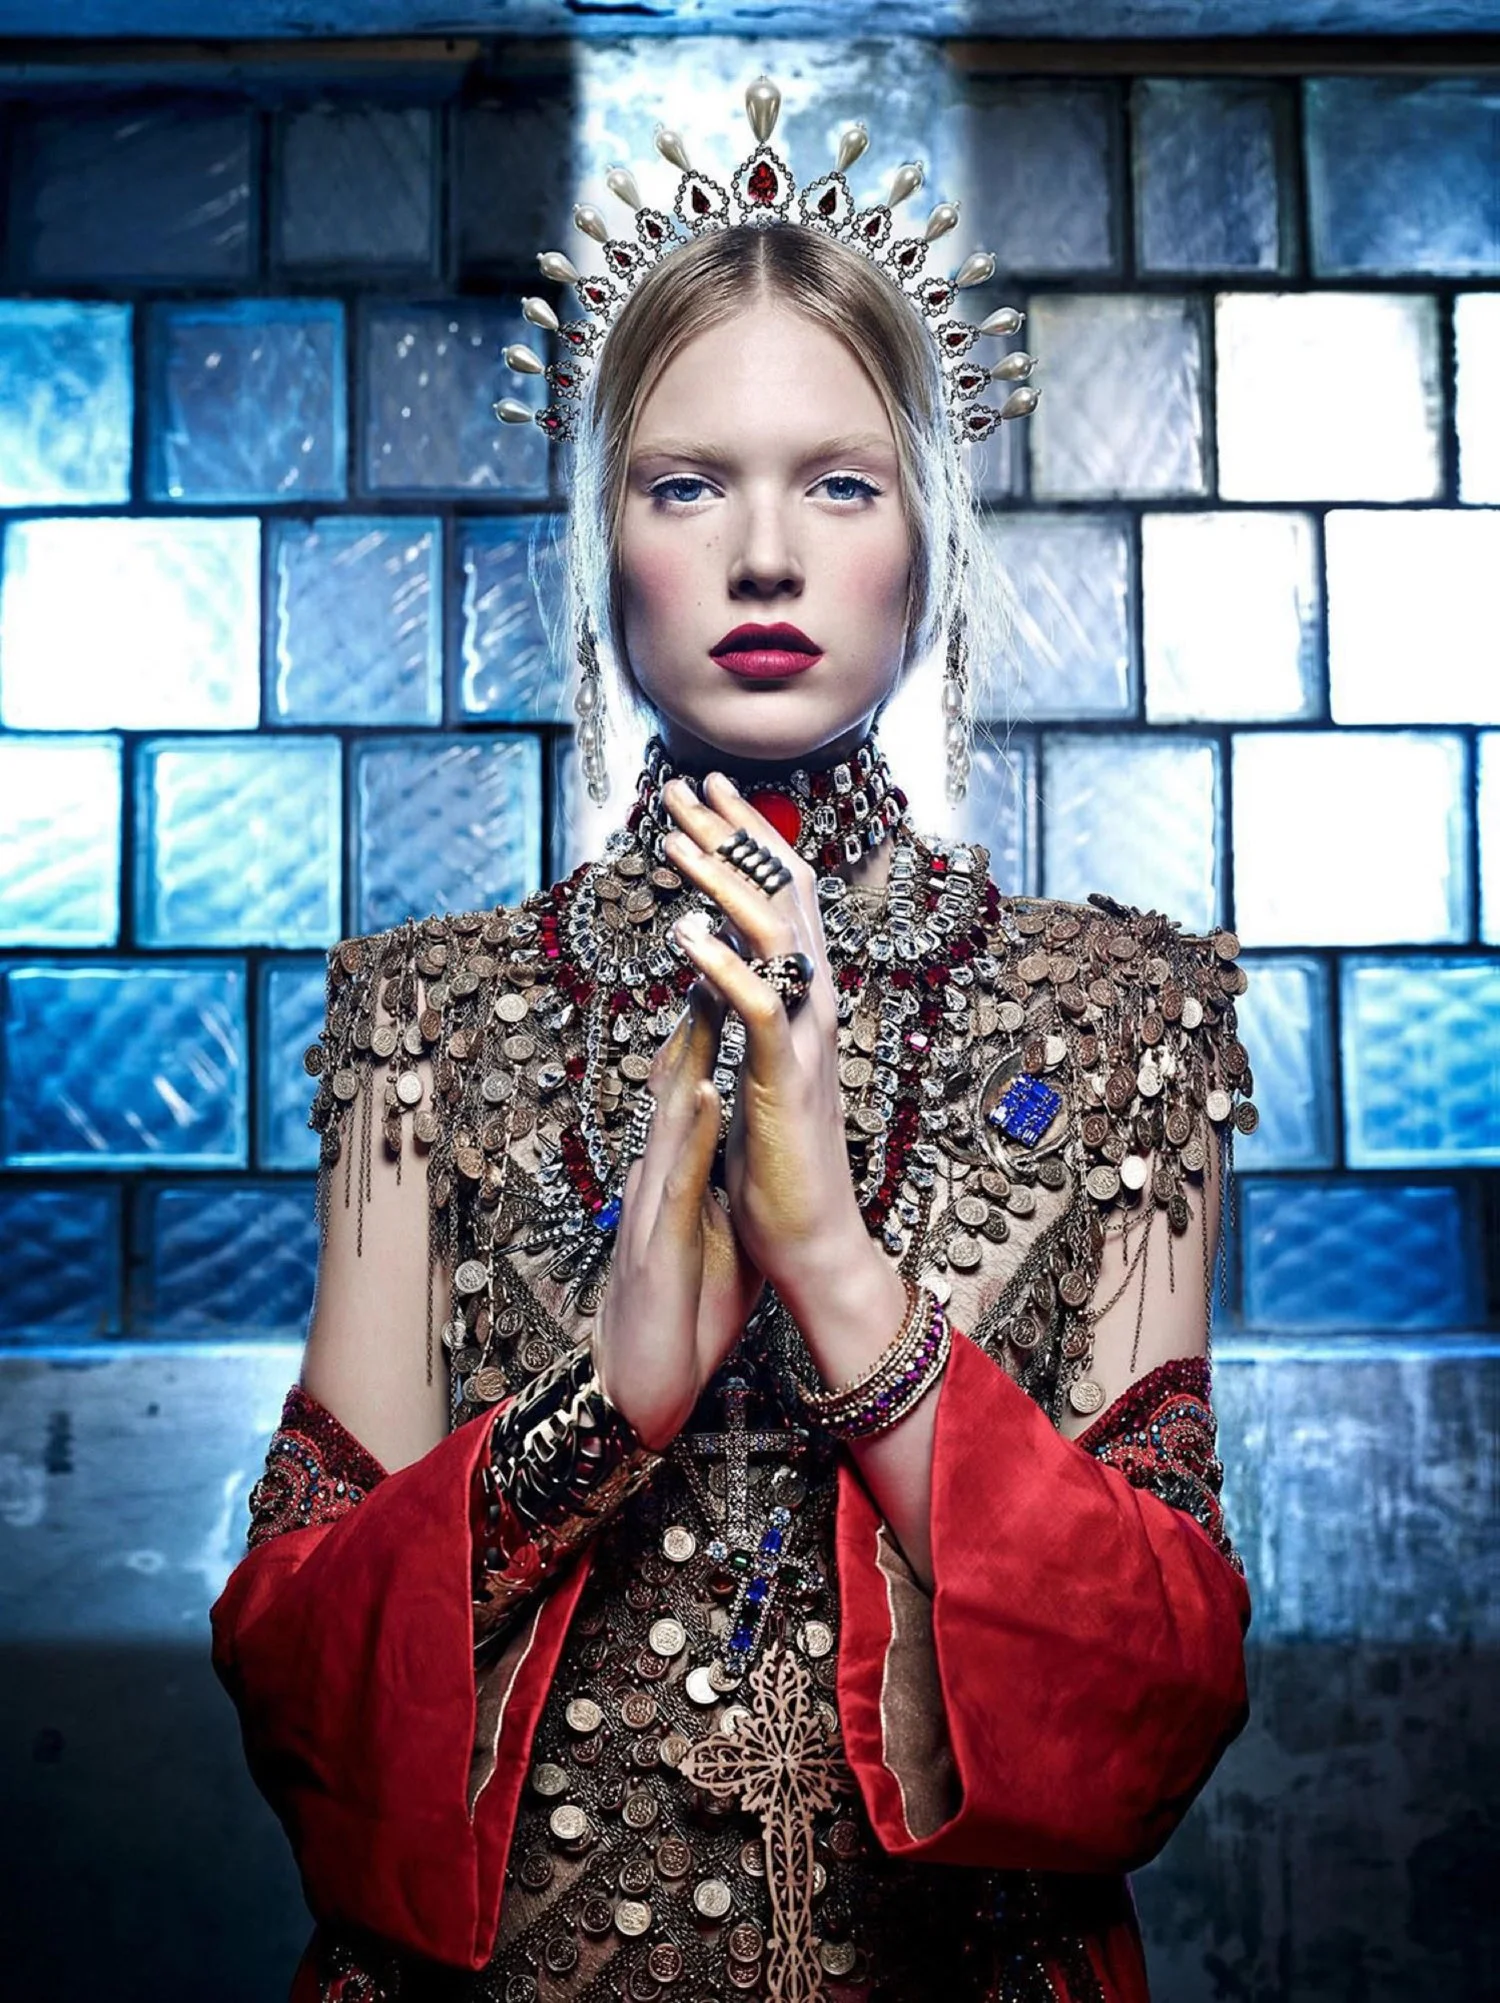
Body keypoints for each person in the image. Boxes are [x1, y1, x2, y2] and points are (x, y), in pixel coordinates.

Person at [211, 78, 1256, 2003]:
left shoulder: (1132, 1024)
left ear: (927, 534)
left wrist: (844, 1281)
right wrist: (602, 1395)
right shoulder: (424, 1018)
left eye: (838, 484)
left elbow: (1157, 1700)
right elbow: (299, 1677)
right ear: (601, 529)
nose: (762, 555)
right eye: (685, 483)